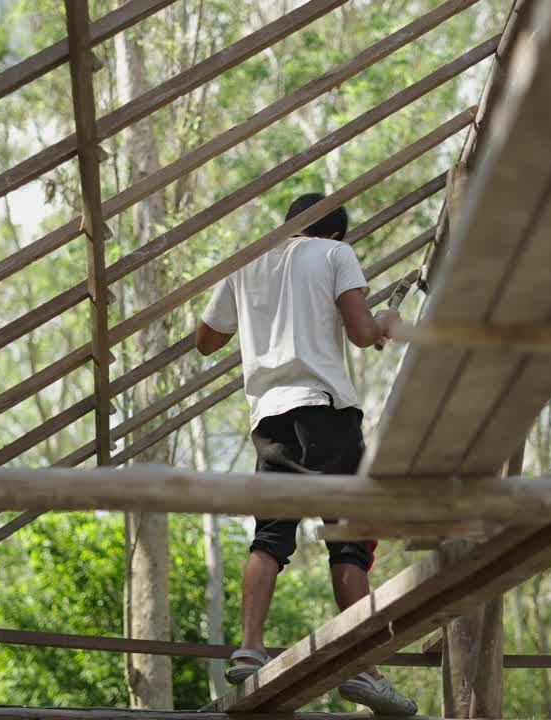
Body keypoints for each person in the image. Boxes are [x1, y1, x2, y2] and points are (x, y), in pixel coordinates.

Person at [194, 193, 416, 716]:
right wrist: (384, 322)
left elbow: (205, 340)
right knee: (349, 538)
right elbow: (362, 335)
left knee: (270, 536)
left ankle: (249, 649)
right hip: (327, 413)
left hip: (269, 418)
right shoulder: (335, 255)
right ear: (336, 233)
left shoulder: (249, 263)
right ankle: (362, 666)